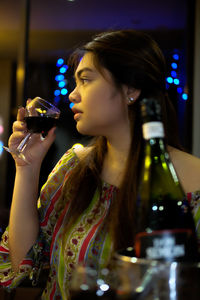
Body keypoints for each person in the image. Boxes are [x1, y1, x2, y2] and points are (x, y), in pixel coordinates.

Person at [1, 29, 200, 299]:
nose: (72, 94)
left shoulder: (194, 185)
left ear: (130, 89)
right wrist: (26, 168)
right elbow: (23, 264)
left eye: (85, 80)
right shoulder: (74, 166)